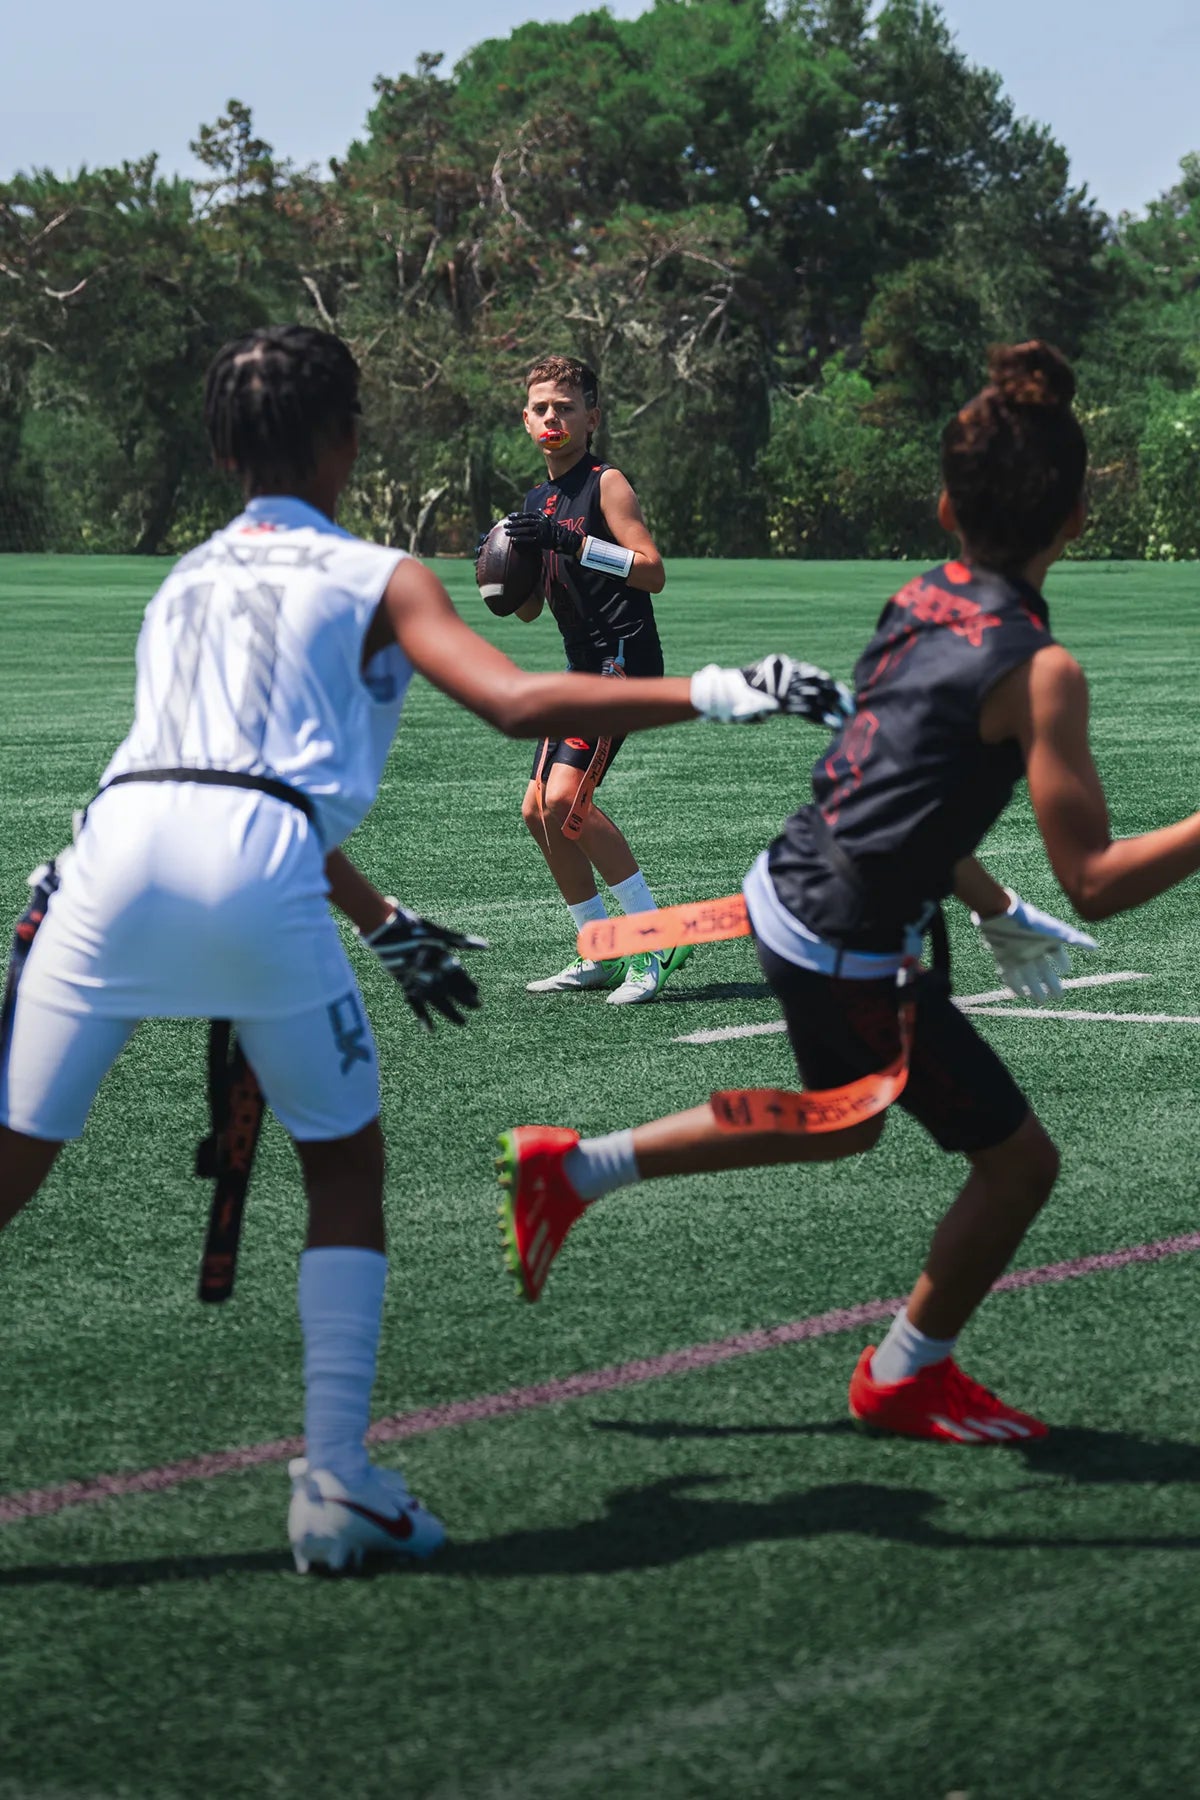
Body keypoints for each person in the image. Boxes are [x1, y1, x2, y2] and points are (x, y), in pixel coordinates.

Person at [0, 323, 846, 1572]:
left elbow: (198, 775)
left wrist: (385, 918)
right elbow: (512, 703)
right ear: (348, 439)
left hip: (94, 870)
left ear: (224, 448)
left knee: (11, 1172)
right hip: (259, 874)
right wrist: (722, 687)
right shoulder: (380, 575)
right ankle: (335, 1483)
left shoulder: (182, 575)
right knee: (343, 1173)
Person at [497, 340, 1200, 1445]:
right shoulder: (1044, 670)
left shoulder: (920, 595)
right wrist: (1014, 896)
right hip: (847, 930)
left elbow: (895, 784)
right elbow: (1101, 884)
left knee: (844, 1124)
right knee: (1017, 1164)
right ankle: (903, 1373)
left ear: (942, 507)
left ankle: (572, 1170)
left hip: (798, 882)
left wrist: (989, 902)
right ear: (1076, 522)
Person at [498, 355, 689, 1005]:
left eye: (565, 407)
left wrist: (571, 542)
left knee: (563, 802)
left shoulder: (606, 484)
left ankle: (654, 937)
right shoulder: (535, 501)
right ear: (526, 420)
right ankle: (599, 948)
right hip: (583, 667)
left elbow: (652, 570)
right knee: (536, 809)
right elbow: (524, 608)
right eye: (541, 408)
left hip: (624, 659)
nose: (552, 417)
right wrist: (504, 566)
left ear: (592, 418)